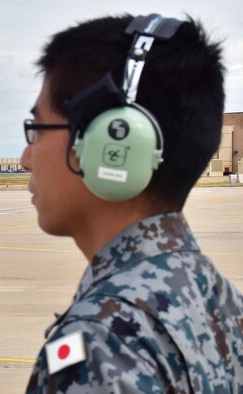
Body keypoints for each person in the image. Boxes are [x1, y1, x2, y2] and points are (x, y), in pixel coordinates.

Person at [21, 13, 243, 393]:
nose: (26, 157)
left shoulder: (102, 343)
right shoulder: (222, 301)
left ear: (112, 147)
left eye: (37, 130)